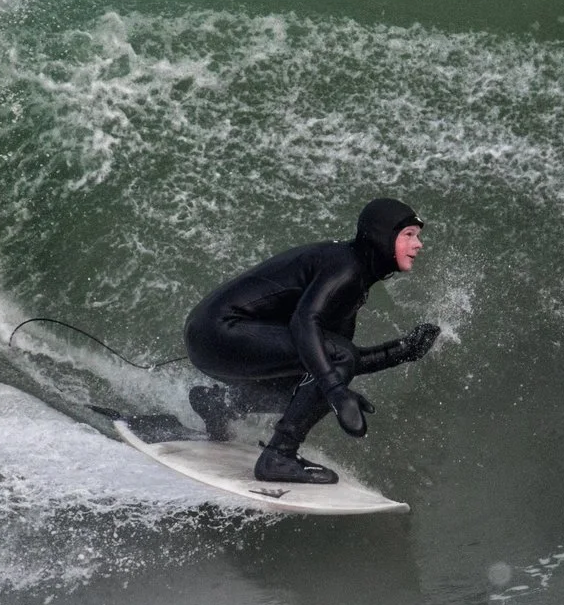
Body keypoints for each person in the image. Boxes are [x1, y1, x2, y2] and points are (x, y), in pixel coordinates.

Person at [183, 198, 441, 483]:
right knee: (330, 373)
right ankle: (278, 456)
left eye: (417, 236)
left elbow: (339, 358)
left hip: (213, 336)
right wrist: (337, 392)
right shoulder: (345, 267)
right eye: (409, 235)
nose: (419, 245)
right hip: (219, 332)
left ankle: (220, 404)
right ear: (383, 236)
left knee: (315, 384)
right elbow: (305, 323)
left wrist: (400, 352)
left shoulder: (355, 275)